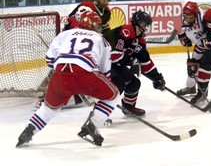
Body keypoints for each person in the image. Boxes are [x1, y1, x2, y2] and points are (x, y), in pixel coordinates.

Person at [16, 11, 120, 147]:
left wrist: (66, 75)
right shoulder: (101, 40)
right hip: (85, 74)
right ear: (95, 26)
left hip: (60, 75)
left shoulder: (65, 34)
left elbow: (49, 59)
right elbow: (105, 72)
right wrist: (87, 87)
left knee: (49, 108)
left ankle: (29, 130)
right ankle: (92, 125)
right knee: (113, 95)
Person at [103, 10, 166, 116]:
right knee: (118, 84)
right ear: (139, 24)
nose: (146, 28)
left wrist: (157, 78)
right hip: (103, 61)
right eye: (145, 25)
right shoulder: (125, 31)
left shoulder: (139, 41)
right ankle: (99, 112)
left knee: (134, 83)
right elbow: (113, 55)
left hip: (115, 64)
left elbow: (145, 62)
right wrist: (130, 62)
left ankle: (128, 106)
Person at [176, 1, 206, 96]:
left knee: (204, 68)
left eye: (191, 18)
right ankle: (191, 87)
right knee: (192, 65)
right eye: (187, 17)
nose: (188, 20)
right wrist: (184, 38)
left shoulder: (203, 17)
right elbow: (180, 32)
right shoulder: (182, 18)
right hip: (200, 46)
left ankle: (203, 90)